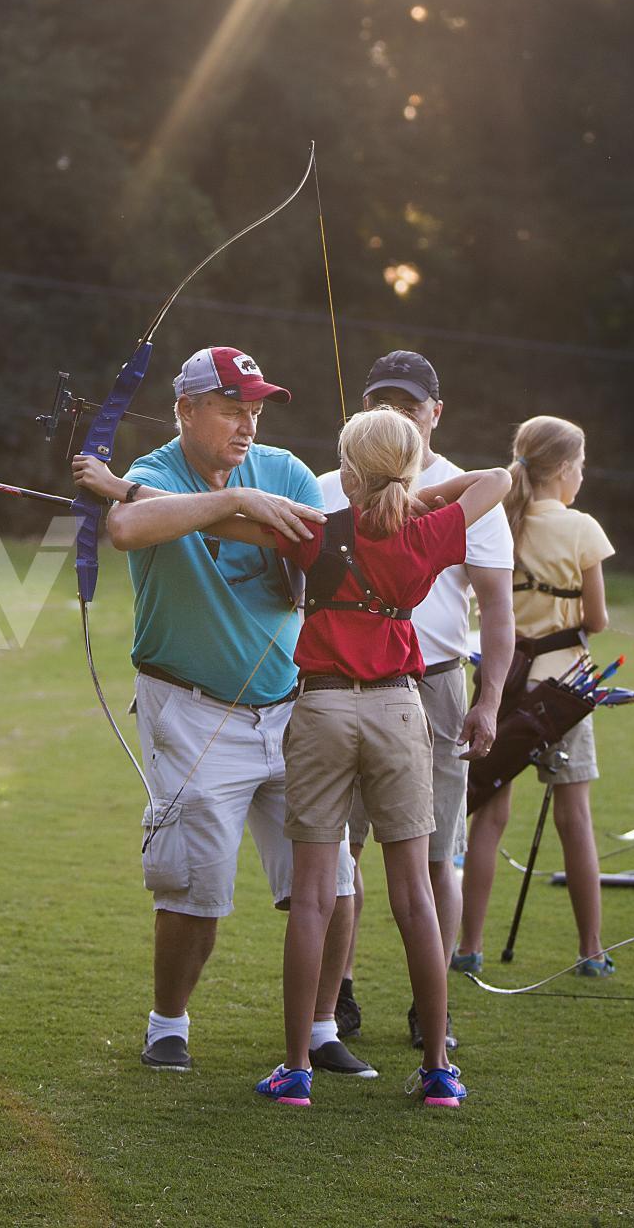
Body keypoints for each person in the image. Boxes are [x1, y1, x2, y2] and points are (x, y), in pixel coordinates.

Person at [70, 346, 367, 1078]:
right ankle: (167, 1024)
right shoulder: (152, 477)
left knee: (333, 884)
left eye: (255, 409)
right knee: (193, 884)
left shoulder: (286, 468)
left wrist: (252, 509)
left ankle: (323, 1028)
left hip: (292, 708)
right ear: (187, 410)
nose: (247, 424)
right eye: (233, 408)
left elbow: (324, 550)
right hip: (190, 709)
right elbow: (129, 529)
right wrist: (235, 503)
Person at [220, 408, 510, 1106]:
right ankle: (438, 1069)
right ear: (408, 473)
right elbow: (496, 478)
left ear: (345, 475)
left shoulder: (315, 530)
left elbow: (215, 522)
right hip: (397, 708)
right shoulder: (429, 532)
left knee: (315, 895)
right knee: (414, 893)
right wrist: (420, 495)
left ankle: (295, 1071)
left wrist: (127, 490)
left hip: (320, 710)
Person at [318, 351, 515, 1050]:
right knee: (340, 856)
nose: (397, 413)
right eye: (381, 402)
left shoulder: (462, 499)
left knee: (435, 857)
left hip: (432, 684)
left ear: (436, 412)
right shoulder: (328, 488)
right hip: (339, 685)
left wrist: (488, 700)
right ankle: (332, 1002)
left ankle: (427, 1013)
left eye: (409, 404)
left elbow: (495, 608)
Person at [454, 413, 616, 975]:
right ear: (567, 469)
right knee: (576, 820)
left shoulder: (499, 518)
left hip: (504, 685)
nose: (582, 476)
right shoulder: (582, 528)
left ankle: (468, 947)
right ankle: (590, 950)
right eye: (582, 466)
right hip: (565, 691)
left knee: (488, 814)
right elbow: (595, 618)